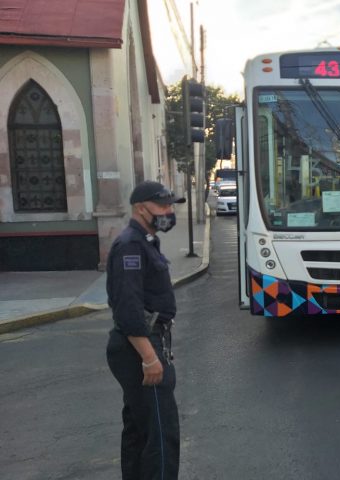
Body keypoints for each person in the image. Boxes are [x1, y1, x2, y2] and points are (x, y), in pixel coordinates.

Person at [106, 181, 185, 479]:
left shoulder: (146, 241)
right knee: (162, 433)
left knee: (140, 429)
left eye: (170, 205)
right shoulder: (131, 246)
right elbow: (128, 309)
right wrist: (150, 358)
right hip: (139, 347)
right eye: (162, 206)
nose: (168, 212)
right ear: (140, 208)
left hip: (146, 342)